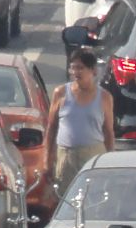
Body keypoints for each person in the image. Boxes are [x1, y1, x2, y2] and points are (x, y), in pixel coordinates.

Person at [45, 48, 114, 191]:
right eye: (73, 67)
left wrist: (109, 161)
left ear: (93, 70)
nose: (76, 72)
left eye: (81, 68)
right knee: (65, 196)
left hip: (93, 155)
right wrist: (47, 161)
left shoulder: (104, 97)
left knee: (91, 195)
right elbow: (51, 128)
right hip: (66, 156)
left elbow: (108, 132)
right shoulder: (60, 93)